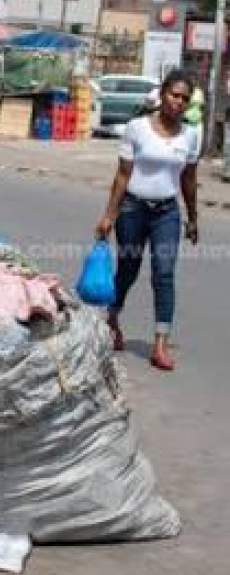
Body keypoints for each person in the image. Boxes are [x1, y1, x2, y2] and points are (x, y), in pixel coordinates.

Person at [94, 70, 199, 371]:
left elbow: (189, 180)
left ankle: (160, 345)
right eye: (174, 94)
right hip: (132, 209)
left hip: (167, 212)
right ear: (162, 94)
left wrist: (192, 218)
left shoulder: (190, 135)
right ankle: (112, 319)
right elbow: (123, 175)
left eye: (184, 98)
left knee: (164, 274)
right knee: (128, 269)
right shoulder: (137, 128)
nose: (178, 102)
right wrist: (109, 215)